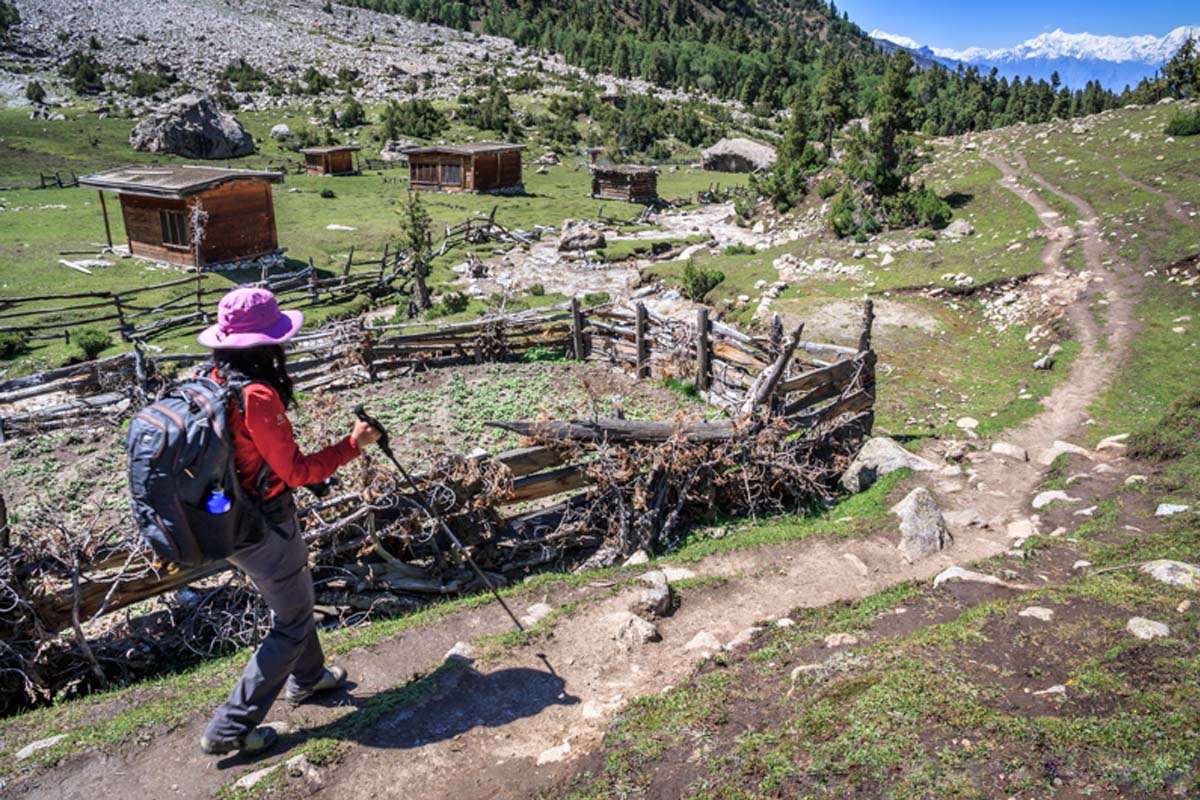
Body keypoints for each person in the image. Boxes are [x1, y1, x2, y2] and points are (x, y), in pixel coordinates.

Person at [196, 287, 380, 757]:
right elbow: (297, 472)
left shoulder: (209, 378)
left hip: (224, 516)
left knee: (293, 601)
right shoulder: (256, 395)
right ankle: (229, 728)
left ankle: (310, 676)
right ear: (268, 343)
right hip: (262, 524)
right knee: (292, 620)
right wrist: (352, 445)